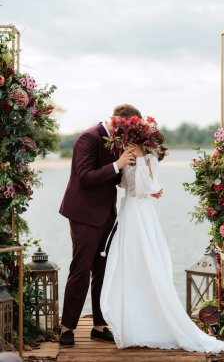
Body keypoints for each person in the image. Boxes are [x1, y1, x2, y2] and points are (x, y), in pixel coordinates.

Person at [100, 132, 224, 353]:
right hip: (128, 212)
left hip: (141, 215)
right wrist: (125, 163)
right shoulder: (127, 155)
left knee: (147, 266)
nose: (127, 144)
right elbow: (123, 185)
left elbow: (146, 188)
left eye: (130, 140)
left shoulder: (148, 158)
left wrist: (141, 164)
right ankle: (132, 325)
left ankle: (151, 324)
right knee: (128, 267)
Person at [59, 104, 141, 346]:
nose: (127, 137)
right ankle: (67, 328)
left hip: (107, 215)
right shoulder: (88, 138)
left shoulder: (116, 143)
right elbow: (84, 177)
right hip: (84, 215)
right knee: (81, 270)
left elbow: (114, 179)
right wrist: (118, 163)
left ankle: (99, 325)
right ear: (118, 122)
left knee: (103, 271)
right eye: (128, 131)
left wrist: (135, 171)